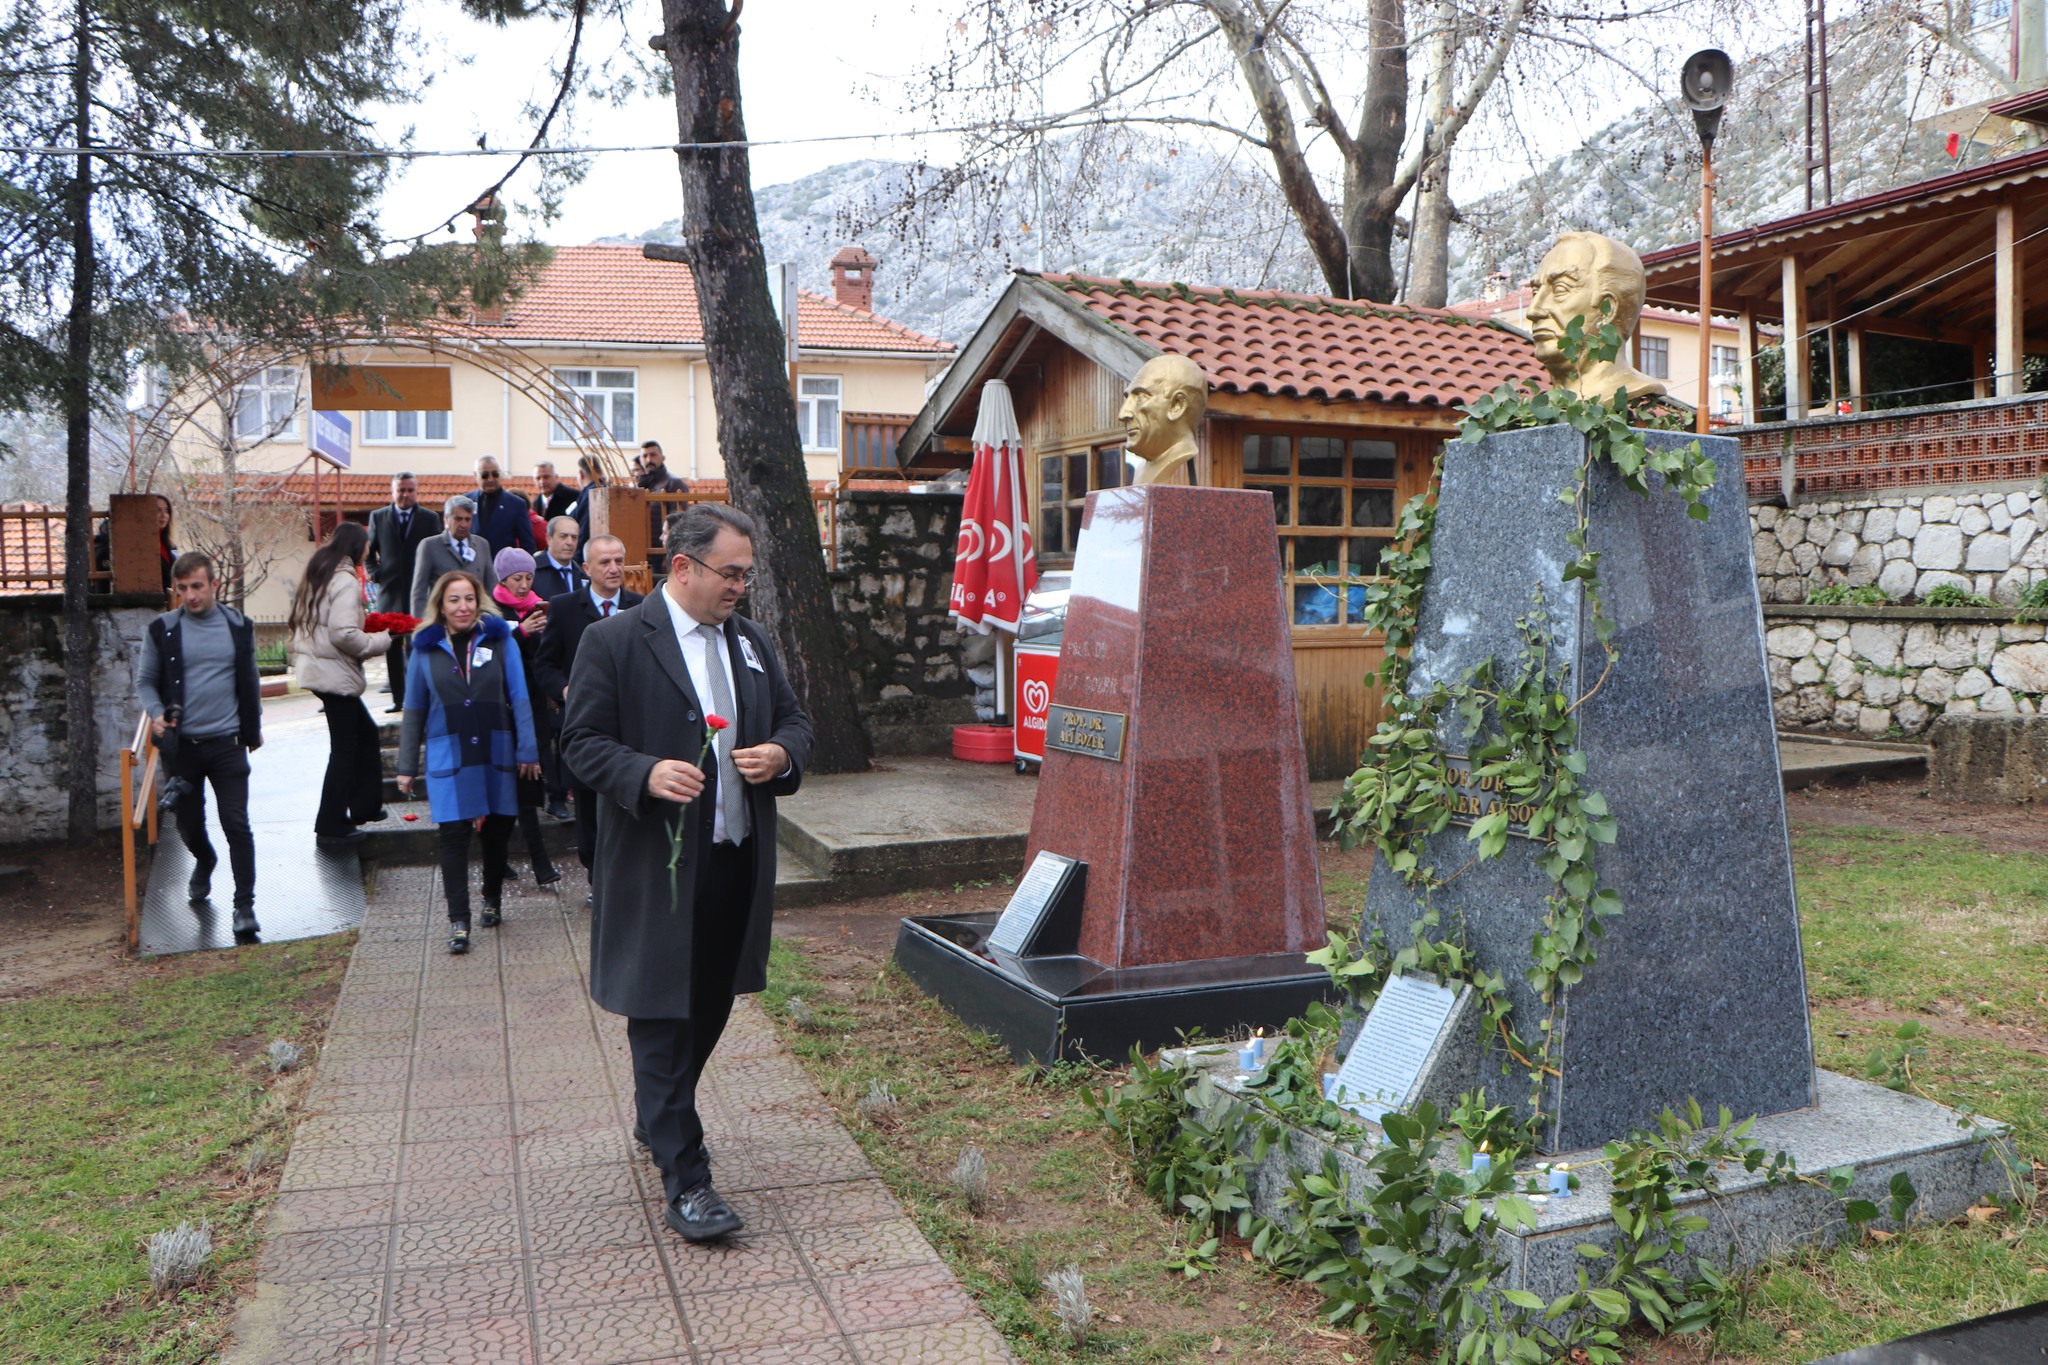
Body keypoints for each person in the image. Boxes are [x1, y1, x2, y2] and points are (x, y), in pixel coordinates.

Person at [561, 504, 812, 1242]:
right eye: (730, 573)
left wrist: (781, 755)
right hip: (657, 872)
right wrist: (643, 772)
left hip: (734, 864)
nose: (741, 587)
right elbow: (579, 742)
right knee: (661, 1017)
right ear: (682, 567)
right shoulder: (614, 641)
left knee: (706, 1005)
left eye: (746, 574)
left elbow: (795, 721)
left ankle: (656, 1112)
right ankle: (688, 1179)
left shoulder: (752, 642)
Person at [396, 571, 542, 955]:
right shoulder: (424, 649)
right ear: (440, 607)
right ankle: (459, 921)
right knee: (453, 838)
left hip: (497, 751)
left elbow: (520, 696)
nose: (463, 607)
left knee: (497, 833)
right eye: (454, 600)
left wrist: (528, 749)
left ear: (479, 601)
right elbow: (413, 710)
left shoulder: (500, 639)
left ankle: (491, 897)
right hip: (450, 754)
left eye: (469, 598)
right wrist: (406, 766)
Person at [135, 551, 265, 937]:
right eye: (182, 588)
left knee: (236, 824)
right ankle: (204, 859)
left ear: (214, 585)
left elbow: (251, 680)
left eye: (197, 586)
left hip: (227, 743)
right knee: (189, 825)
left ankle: (244, 906)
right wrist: (157, 711)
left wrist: (252, 730)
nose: (190, 596)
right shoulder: (163, 629)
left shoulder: (239, 626)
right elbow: (145, 681)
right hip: (182, 748)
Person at [536, 533, 641, 878]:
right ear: (586, 568)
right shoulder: (566, 607)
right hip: (584, 723)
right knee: (587, 803)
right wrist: (565, 689)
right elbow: (545, 664)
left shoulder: (640, 606)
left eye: (619, 561)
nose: (614, 569)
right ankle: (596, 875)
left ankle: (627, 875)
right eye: (605, 562)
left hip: (629, 726)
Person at [289, 523, 393, 848]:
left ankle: (364, 807)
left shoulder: (321, 569)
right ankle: (331, 823)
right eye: (367, 545)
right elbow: (343, 633)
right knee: (346, 748)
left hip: (318, 667)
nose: (369, 551)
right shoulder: (346, 580)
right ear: (357, 546)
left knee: (364, 735)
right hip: (332, 672)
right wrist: (382, 640)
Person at [490, 547, 564, 889]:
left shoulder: (540, 605)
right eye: (517, 578)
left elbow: (546, 658)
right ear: (502, 578)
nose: (523, 585)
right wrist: (520, 632)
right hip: (502, 708)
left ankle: (526, 861)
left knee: (531, 783)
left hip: (534, 705)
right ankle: (536, 863)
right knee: (515, 788)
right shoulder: (491, 611)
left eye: (529, 578)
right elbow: (491, 659)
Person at [366, 472, 441, 712]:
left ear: (416, 492)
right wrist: (376, 574)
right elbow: (369, 553)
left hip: (420, 595)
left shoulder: (429, 518)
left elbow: (436, 553)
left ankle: (419, 698)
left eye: (409, 490)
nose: (405, 494)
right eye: (401, 490)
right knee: (393, 649)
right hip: (390, 594)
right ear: (393, 491)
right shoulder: (378, 517)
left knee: (419, 646)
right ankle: (398, 699)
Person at [411, 495, 497, 617]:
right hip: (441, 619)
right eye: (458, 519)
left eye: (468, 519)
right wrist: (420, 623)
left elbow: (491, 586)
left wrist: (493, 618)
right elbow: (419, 591)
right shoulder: (429, 546)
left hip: (476, 619)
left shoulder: (482, 545)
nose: (463, 524)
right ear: (446, 519)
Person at [467, 455, 537, 552]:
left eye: (495, 474)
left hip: (502, 564)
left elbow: (528, 544)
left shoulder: (516, 504)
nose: (490, 479)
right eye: (485, 475)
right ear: (476, 476)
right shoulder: (466, 501)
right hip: (470, 564)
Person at [533, 516, 582, 602]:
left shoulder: (583, 574)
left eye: (574, 537)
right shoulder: (532, 571)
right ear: (549, 539)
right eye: (563, 536)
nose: (570, 542)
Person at [569, 454, 609, 559]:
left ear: (581, 474)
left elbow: (584, 528)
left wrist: (577, 559)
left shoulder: (592, 493)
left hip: (589, 555)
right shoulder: (609, 489)